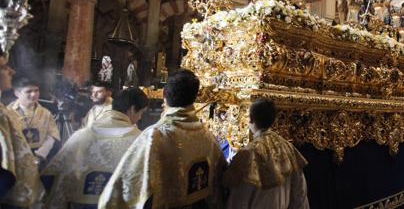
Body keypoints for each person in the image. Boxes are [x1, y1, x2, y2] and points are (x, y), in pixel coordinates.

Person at [99, 69, 226, 208]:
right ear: (195, 97)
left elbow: (124, 189)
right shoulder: (207, 136)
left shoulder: (155, 136)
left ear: (164, 94)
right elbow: (220, 184)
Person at [42, 87, 149, 208]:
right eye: (141, 113)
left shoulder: (81, 135)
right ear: (132, 109)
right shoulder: (140, 140)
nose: (139, 118)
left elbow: (52, 176)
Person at [224, 99, 309, 208]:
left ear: (250, 119)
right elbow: (299, 194)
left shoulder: (247, 154)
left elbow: (239, 199)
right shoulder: (288, 148)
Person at [0, 56, 44, 207]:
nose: (11, 71)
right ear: (17, 92)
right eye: (4, 67)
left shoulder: (4, 112)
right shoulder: (6, 113)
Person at [8, 74, 60, 164]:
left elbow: (52, 135)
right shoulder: (8, 112)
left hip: (40, 155)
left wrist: (39, 155)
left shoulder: (46, 113)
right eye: (28, 91)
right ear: (17, 93)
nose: (34, 94)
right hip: (15, 158)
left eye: (36, 90)